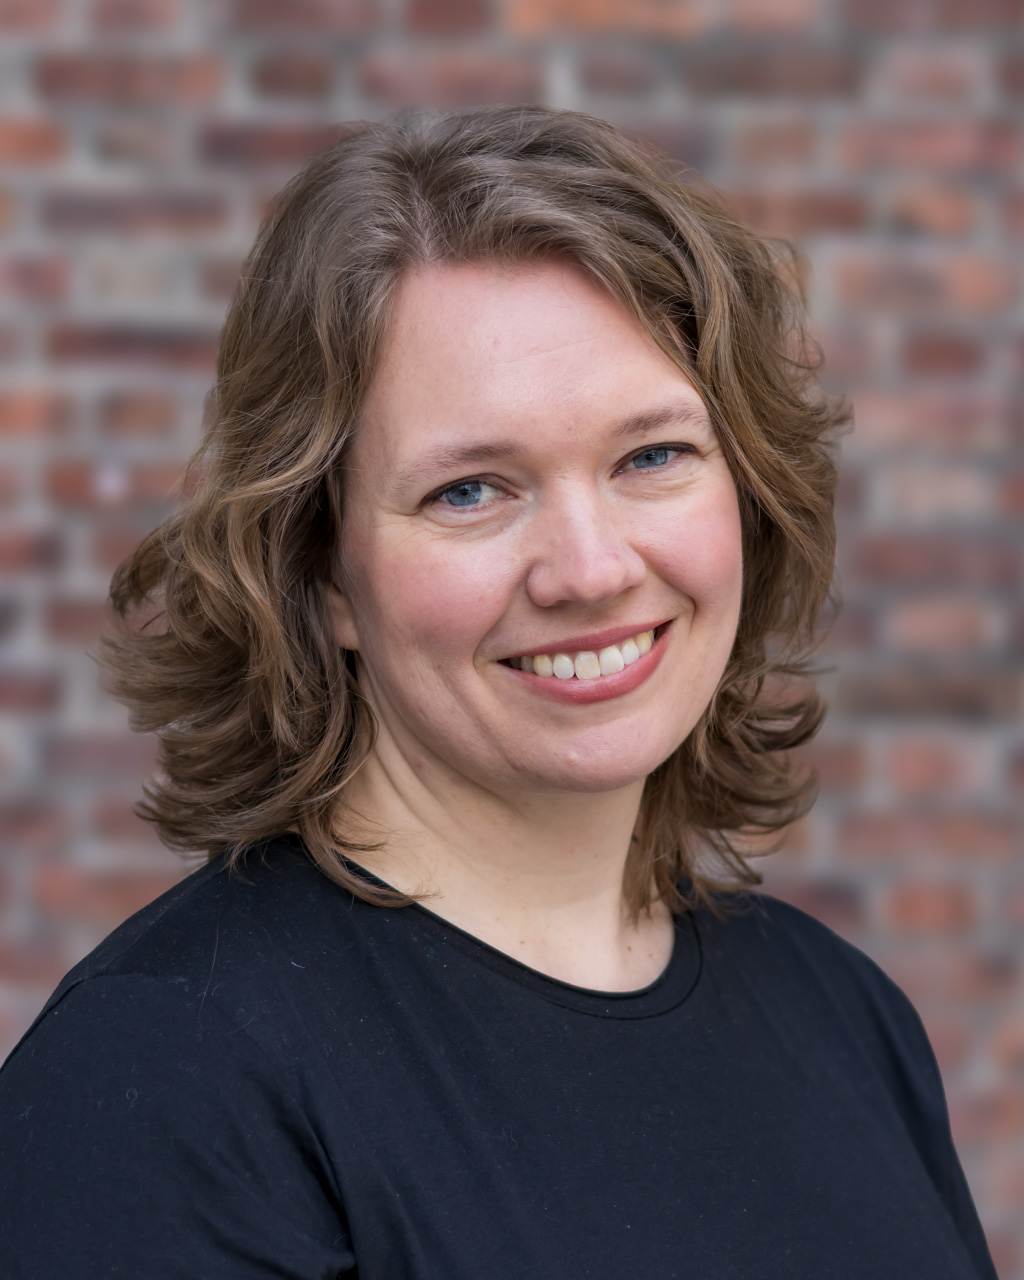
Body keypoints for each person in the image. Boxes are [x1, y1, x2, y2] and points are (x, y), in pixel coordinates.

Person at [0, 106, 996, 1279]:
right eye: (470, 489)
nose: (590, 568)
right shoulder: (166, 1074)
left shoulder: (844, 1017)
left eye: (651, 456)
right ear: (320, 571)